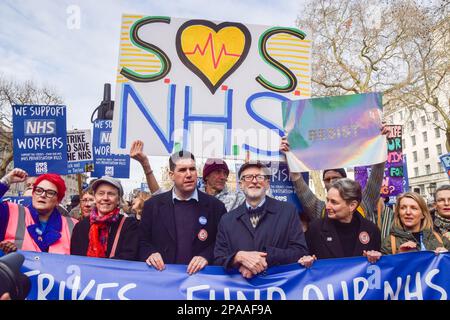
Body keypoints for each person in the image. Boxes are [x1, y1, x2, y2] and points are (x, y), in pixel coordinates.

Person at [214, 161, 309, 278]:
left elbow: (300, 251)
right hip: (241, 291)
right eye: (248, 177)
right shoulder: (227, 220)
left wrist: (265, 257)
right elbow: (218, 259)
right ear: (241, 184)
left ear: (268, 184)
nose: (254, 181)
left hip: (279, 289)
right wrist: (238, 258)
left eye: (260, 177)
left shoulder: (288, 212)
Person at [139, 150, 227, 274]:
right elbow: (142, 241)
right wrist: (150, 253)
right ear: (171, 175)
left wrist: (207, 256)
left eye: (192, 169)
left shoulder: (216, 207)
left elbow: (223, 243)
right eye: (182, 170)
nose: (189, 174)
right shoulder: (153, 205)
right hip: (162, 279)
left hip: (201, 281)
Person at [279, 127, 388, 225]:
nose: (331, 182)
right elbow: (299, 182)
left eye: (335, 178)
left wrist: (381, 142)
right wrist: (290, 154)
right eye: (327, 179)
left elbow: (376, 175)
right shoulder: (320, 210)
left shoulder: (364, 203)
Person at [299, 178, 381, 268]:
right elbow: (303, 259)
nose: (327, 206)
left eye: (334, 202)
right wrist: (306, 260)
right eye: (328, 200)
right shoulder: (315, 229)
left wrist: (376, 257)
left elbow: (379, 269)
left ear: (352, 205)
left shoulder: (371, 231)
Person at [0, 169, 78, 254]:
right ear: (33, 194)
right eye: (38, 190)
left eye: (50, 192)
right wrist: (6, 181)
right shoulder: (11, 212)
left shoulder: (73, 225)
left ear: (58, 201)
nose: (43, 195)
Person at [70, 176, 139, 260]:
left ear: (118, 200)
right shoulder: (81, 226)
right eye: (101, 193)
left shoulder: (129, 225)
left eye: (111, 194)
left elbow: (129, 256)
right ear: (95, 198)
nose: (105, 198)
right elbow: (76, 258)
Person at [381, 192, 449, 255]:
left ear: (423, 214)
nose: (408, 212)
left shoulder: (440, 240)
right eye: (403, 208)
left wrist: (446, 257)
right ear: (398, 213)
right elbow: (385, 267)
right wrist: (399, 256)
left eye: (414, 208)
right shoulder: (389, 242)